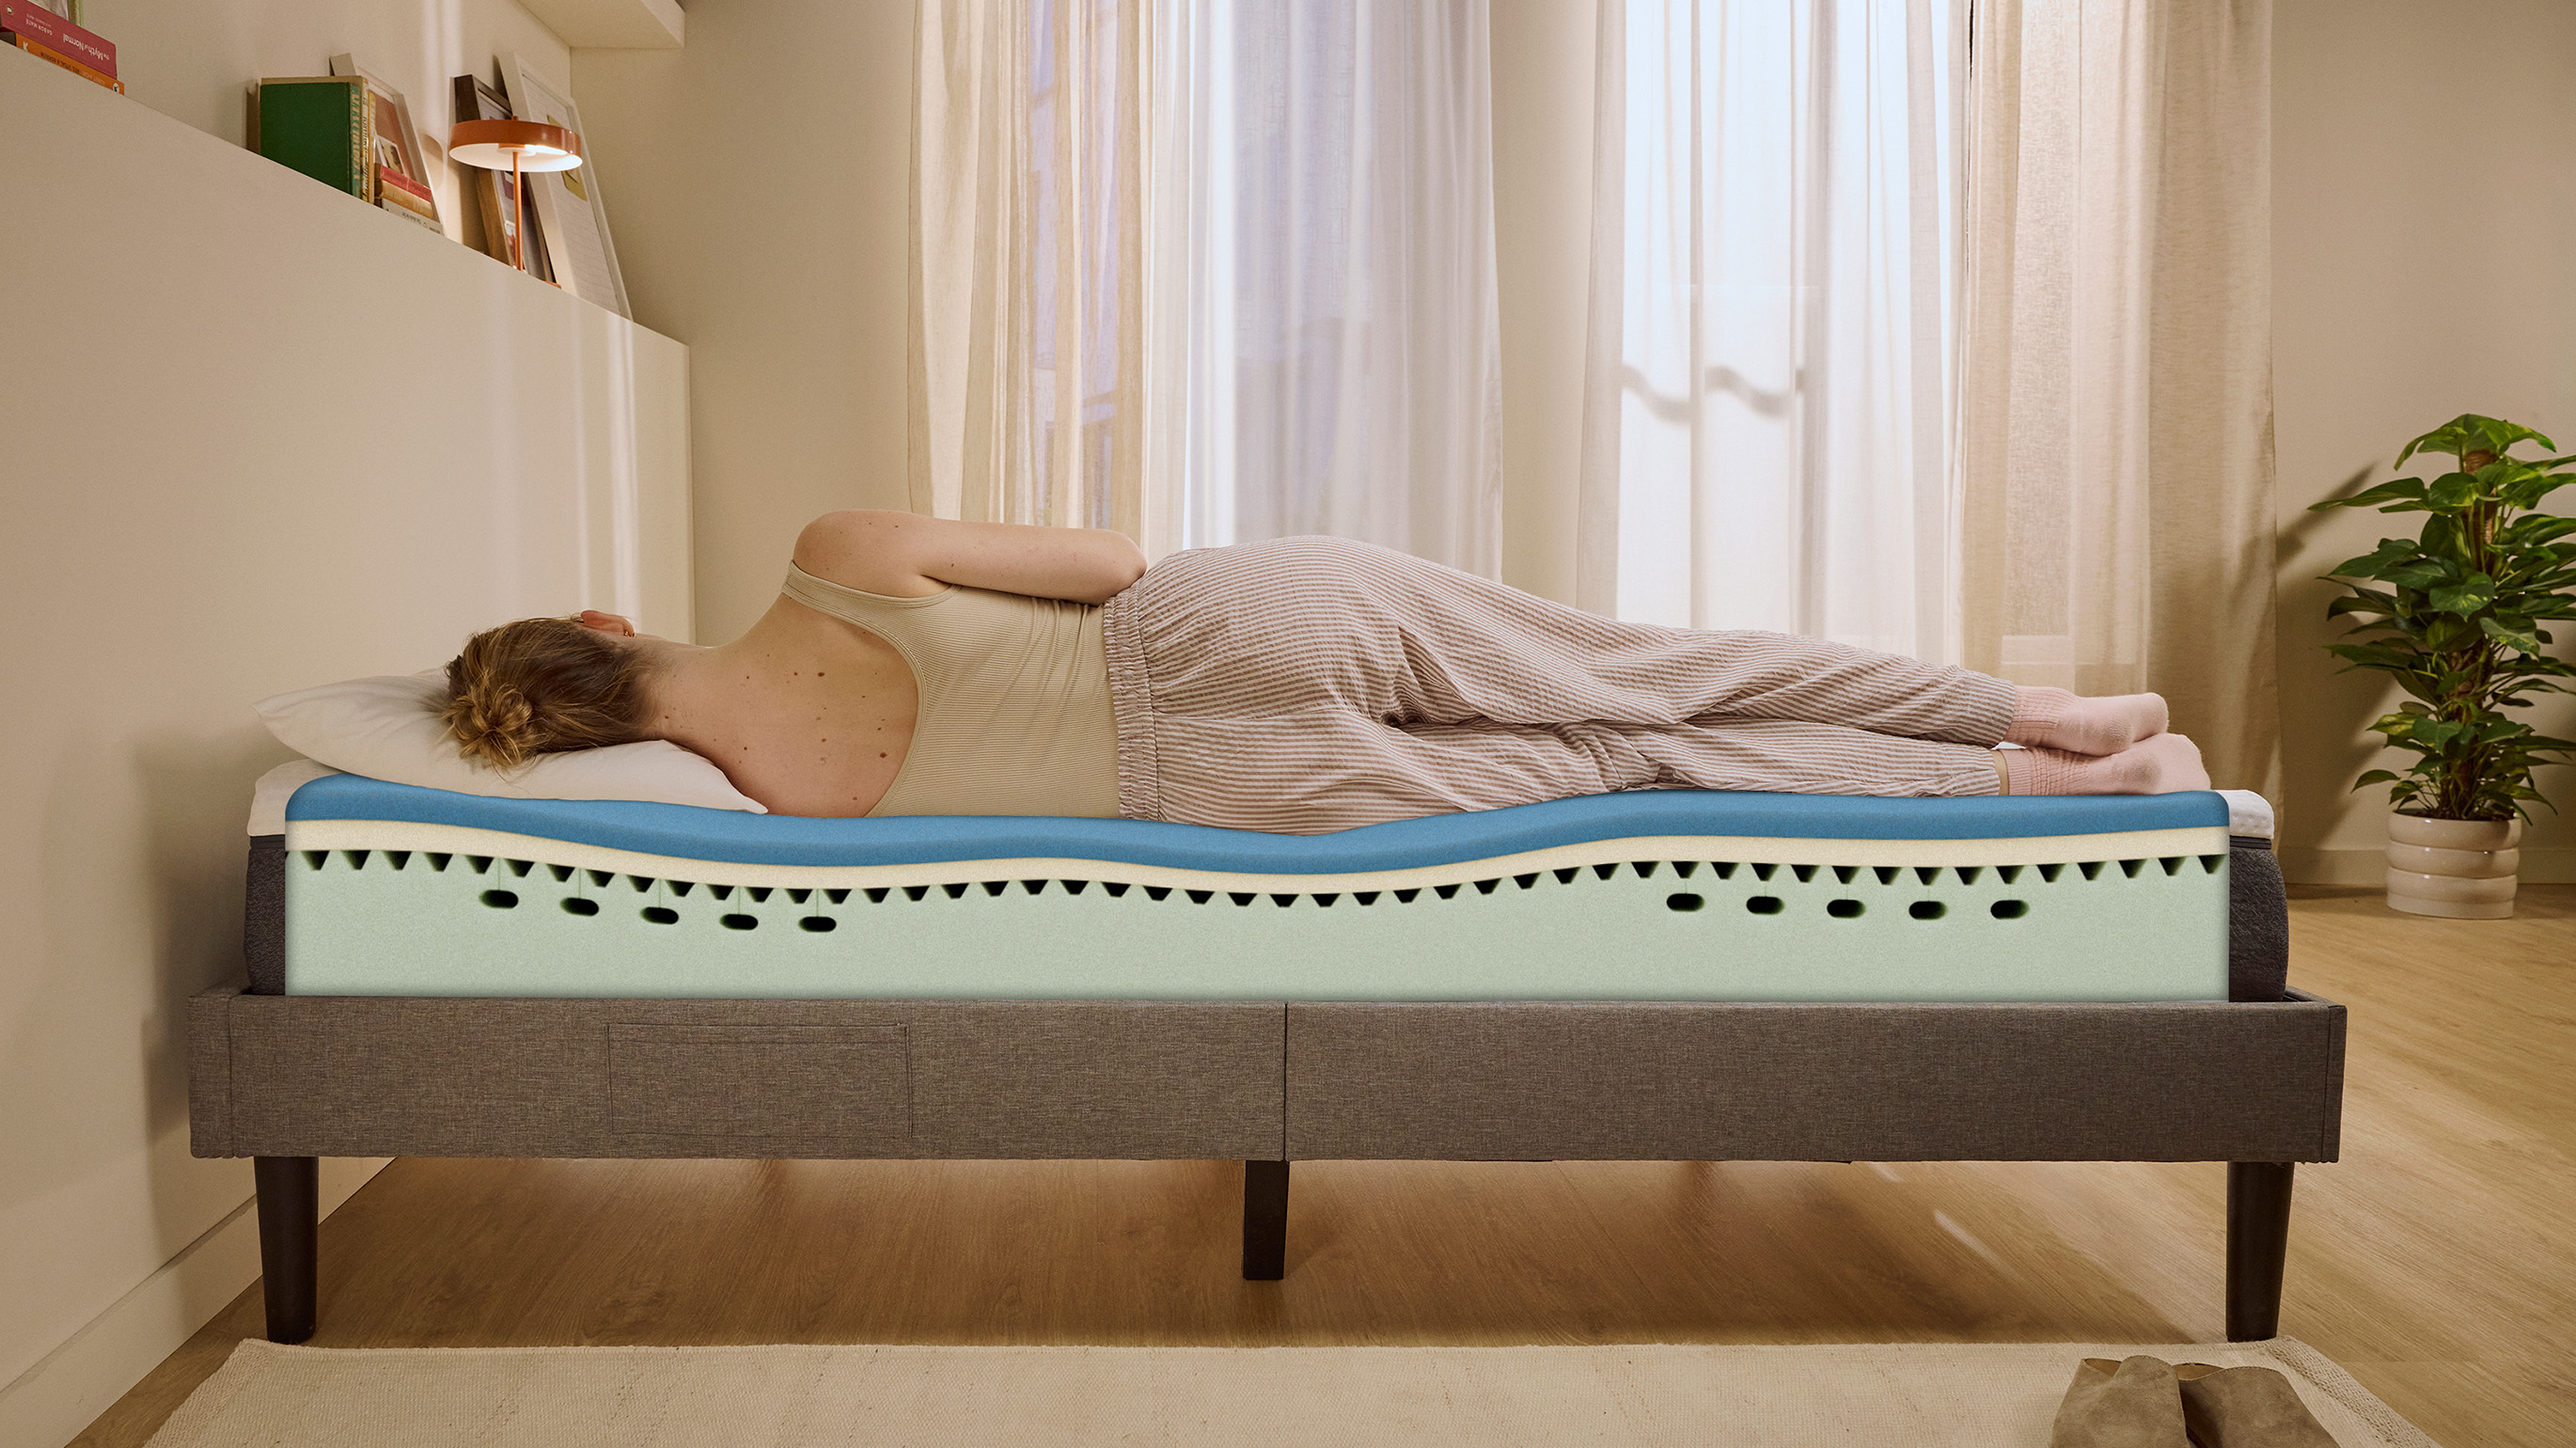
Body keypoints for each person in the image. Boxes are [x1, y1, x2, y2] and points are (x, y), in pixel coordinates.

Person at [441, 511, 2208, 834]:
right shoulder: (836, 560)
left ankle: (2049, 790)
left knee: (1654, 769)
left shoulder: (770, 807)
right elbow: (1117, 568)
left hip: (1223, 793)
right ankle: (2035, 707)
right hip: (1221, 628)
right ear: (608, 627)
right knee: (1660, 672)